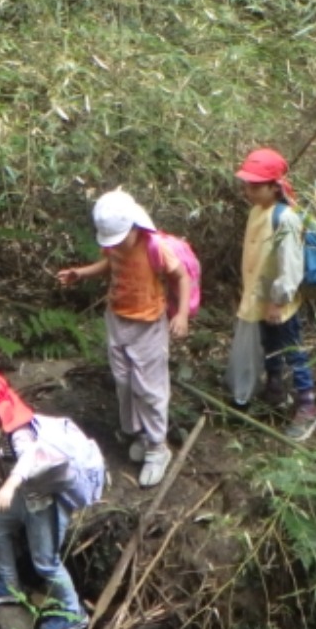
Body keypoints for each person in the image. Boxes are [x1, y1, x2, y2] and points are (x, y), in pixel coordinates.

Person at [0, 370, 107, 629]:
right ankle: (9, 584)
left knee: (46, 562)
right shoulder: (16, 427)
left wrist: (10, 485)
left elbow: (29, 456)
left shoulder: (23, 435)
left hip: (46, 502)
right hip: (31, 495)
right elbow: (14, 448)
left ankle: (75, 614)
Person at [55, 189, 189, 486]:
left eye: (119, 238)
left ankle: (158, 448)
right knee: (125, 382)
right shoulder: (116, 244)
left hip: (148, 325)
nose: (115, 245)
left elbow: (182, 276)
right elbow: (111, 264)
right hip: (118, 319)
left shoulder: (153, 247)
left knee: (149, 388)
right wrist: (82, 273)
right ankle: (140, 433)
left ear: (133, 226)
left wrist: (180, 315)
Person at [232, 148, 316, 441]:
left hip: (279, 302)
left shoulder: (285, 219)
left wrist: (277, 300)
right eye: (247, 184)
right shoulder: (258, 212)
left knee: (292, 349)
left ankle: (307, 405)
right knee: (269, 344)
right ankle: (274, 389)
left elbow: (290, 266)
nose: (249, 191)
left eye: (256, 186)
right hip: (259, 297)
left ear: (275, 186)